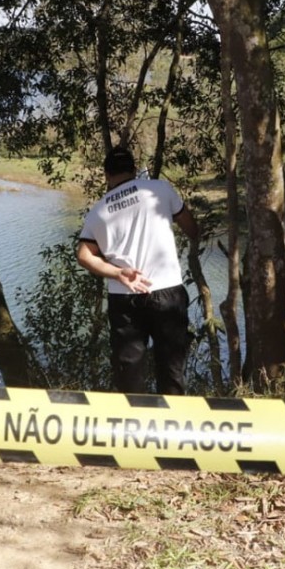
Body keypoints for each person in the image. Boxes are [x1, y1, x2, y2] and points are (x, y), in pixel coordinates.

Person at [76, 146, 200, 395]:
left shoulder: (98, 211)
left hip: (124, 297)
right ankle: (172, 425)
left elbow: (84, 255)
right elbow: (192, 228)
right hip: (167, 291)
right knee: (172, 369)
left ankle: (133, 428)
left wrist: (117, 273)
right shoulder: (160, 189)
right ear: (134, 170)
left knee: (129, 373)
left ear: (107, 175)